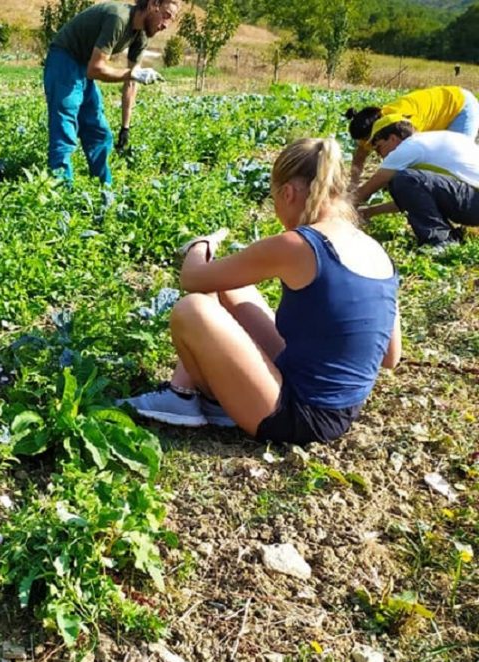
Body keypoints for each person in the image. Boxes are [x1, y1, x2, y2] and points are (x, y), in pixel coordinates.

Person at [119, 138, 401, 446]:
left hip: (298, 418)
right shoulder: (374, 249)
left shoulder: (298, 244)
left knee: (192, 308)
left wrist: (200, 245)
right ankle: (219, 396)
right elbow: (390, 356)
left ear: (287, 193)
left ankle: (186, 396)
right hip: (338, 410)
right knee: (230, 285)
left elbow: (192, 278)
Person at [44, 0, 179, 185]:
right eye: (166, 15)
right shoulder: (119, 19)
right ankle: (59, 194)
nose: (166, 24)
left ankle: (103, 189)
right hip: (64, 60)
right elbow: (95, 69)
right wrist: (133, 74)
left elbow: (132, 81)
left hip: (83, 64)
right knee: (65, 130)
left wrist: (125, 128)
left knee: (99, 132)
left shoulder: (142, 34)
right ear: (152, 4)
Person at [355, 114, 479, 249]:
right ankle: (450, 237)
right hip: (472, 199)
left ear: (392, 138)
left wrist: (338, 207)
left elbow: (367, 191)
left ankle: (440, 242)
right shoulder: (432, 142)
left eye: (379, 148)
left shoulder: (409, 147)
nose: (380, 156)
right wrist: (370, 211)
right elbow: (417, 201)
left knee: (403, 179)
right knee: (406, 181)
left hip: (473, 201)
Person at [345, 85, 478, 182]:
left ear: (377, 130)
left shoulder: (405, 123)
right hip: (440, 111)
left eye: (373, 141)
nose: (372, 146)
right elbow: (360, 155)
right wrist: (353, 183)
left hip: (460, 106)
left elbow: (411, 155)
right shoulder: (373, 126)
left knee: (453, 163)